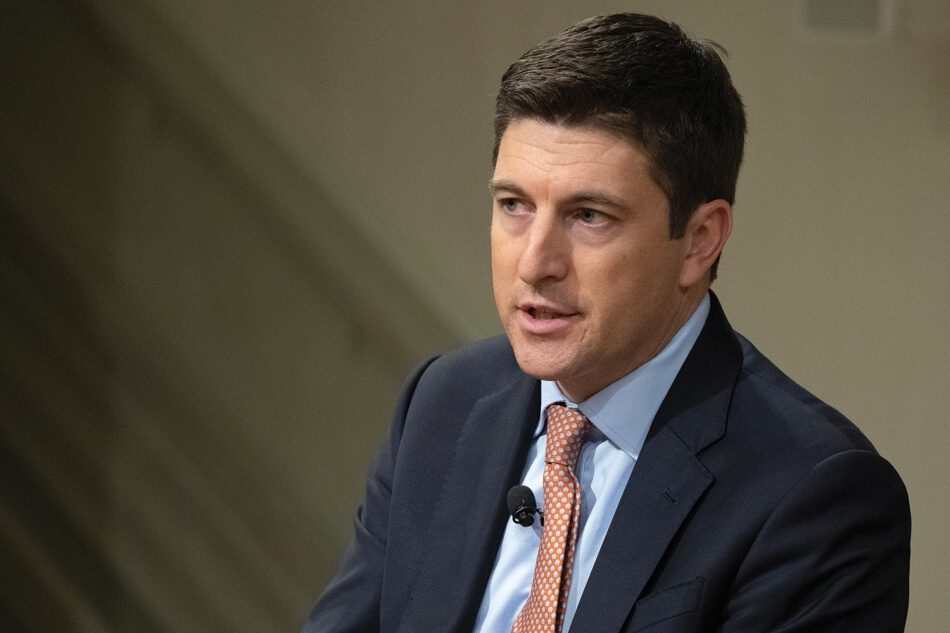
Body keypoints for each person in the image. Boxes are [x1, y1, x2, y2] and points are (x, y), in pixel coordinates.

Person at [303, 13, 911, 633]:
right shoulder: (445, 402)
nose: (535, 263)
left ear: (700, 239)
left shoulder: (815, 497)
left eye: (589, 215)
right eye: (514, 205)